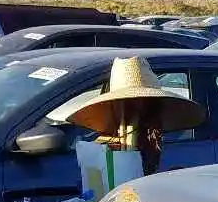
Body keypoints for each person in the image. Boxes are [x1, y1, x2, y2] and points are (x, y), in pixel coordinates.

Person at [62, 54, 205, 178]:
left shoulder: (152, 135)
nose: (138, 106)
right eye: (132, 102)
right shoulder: (105, 147)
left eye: (143, 101)